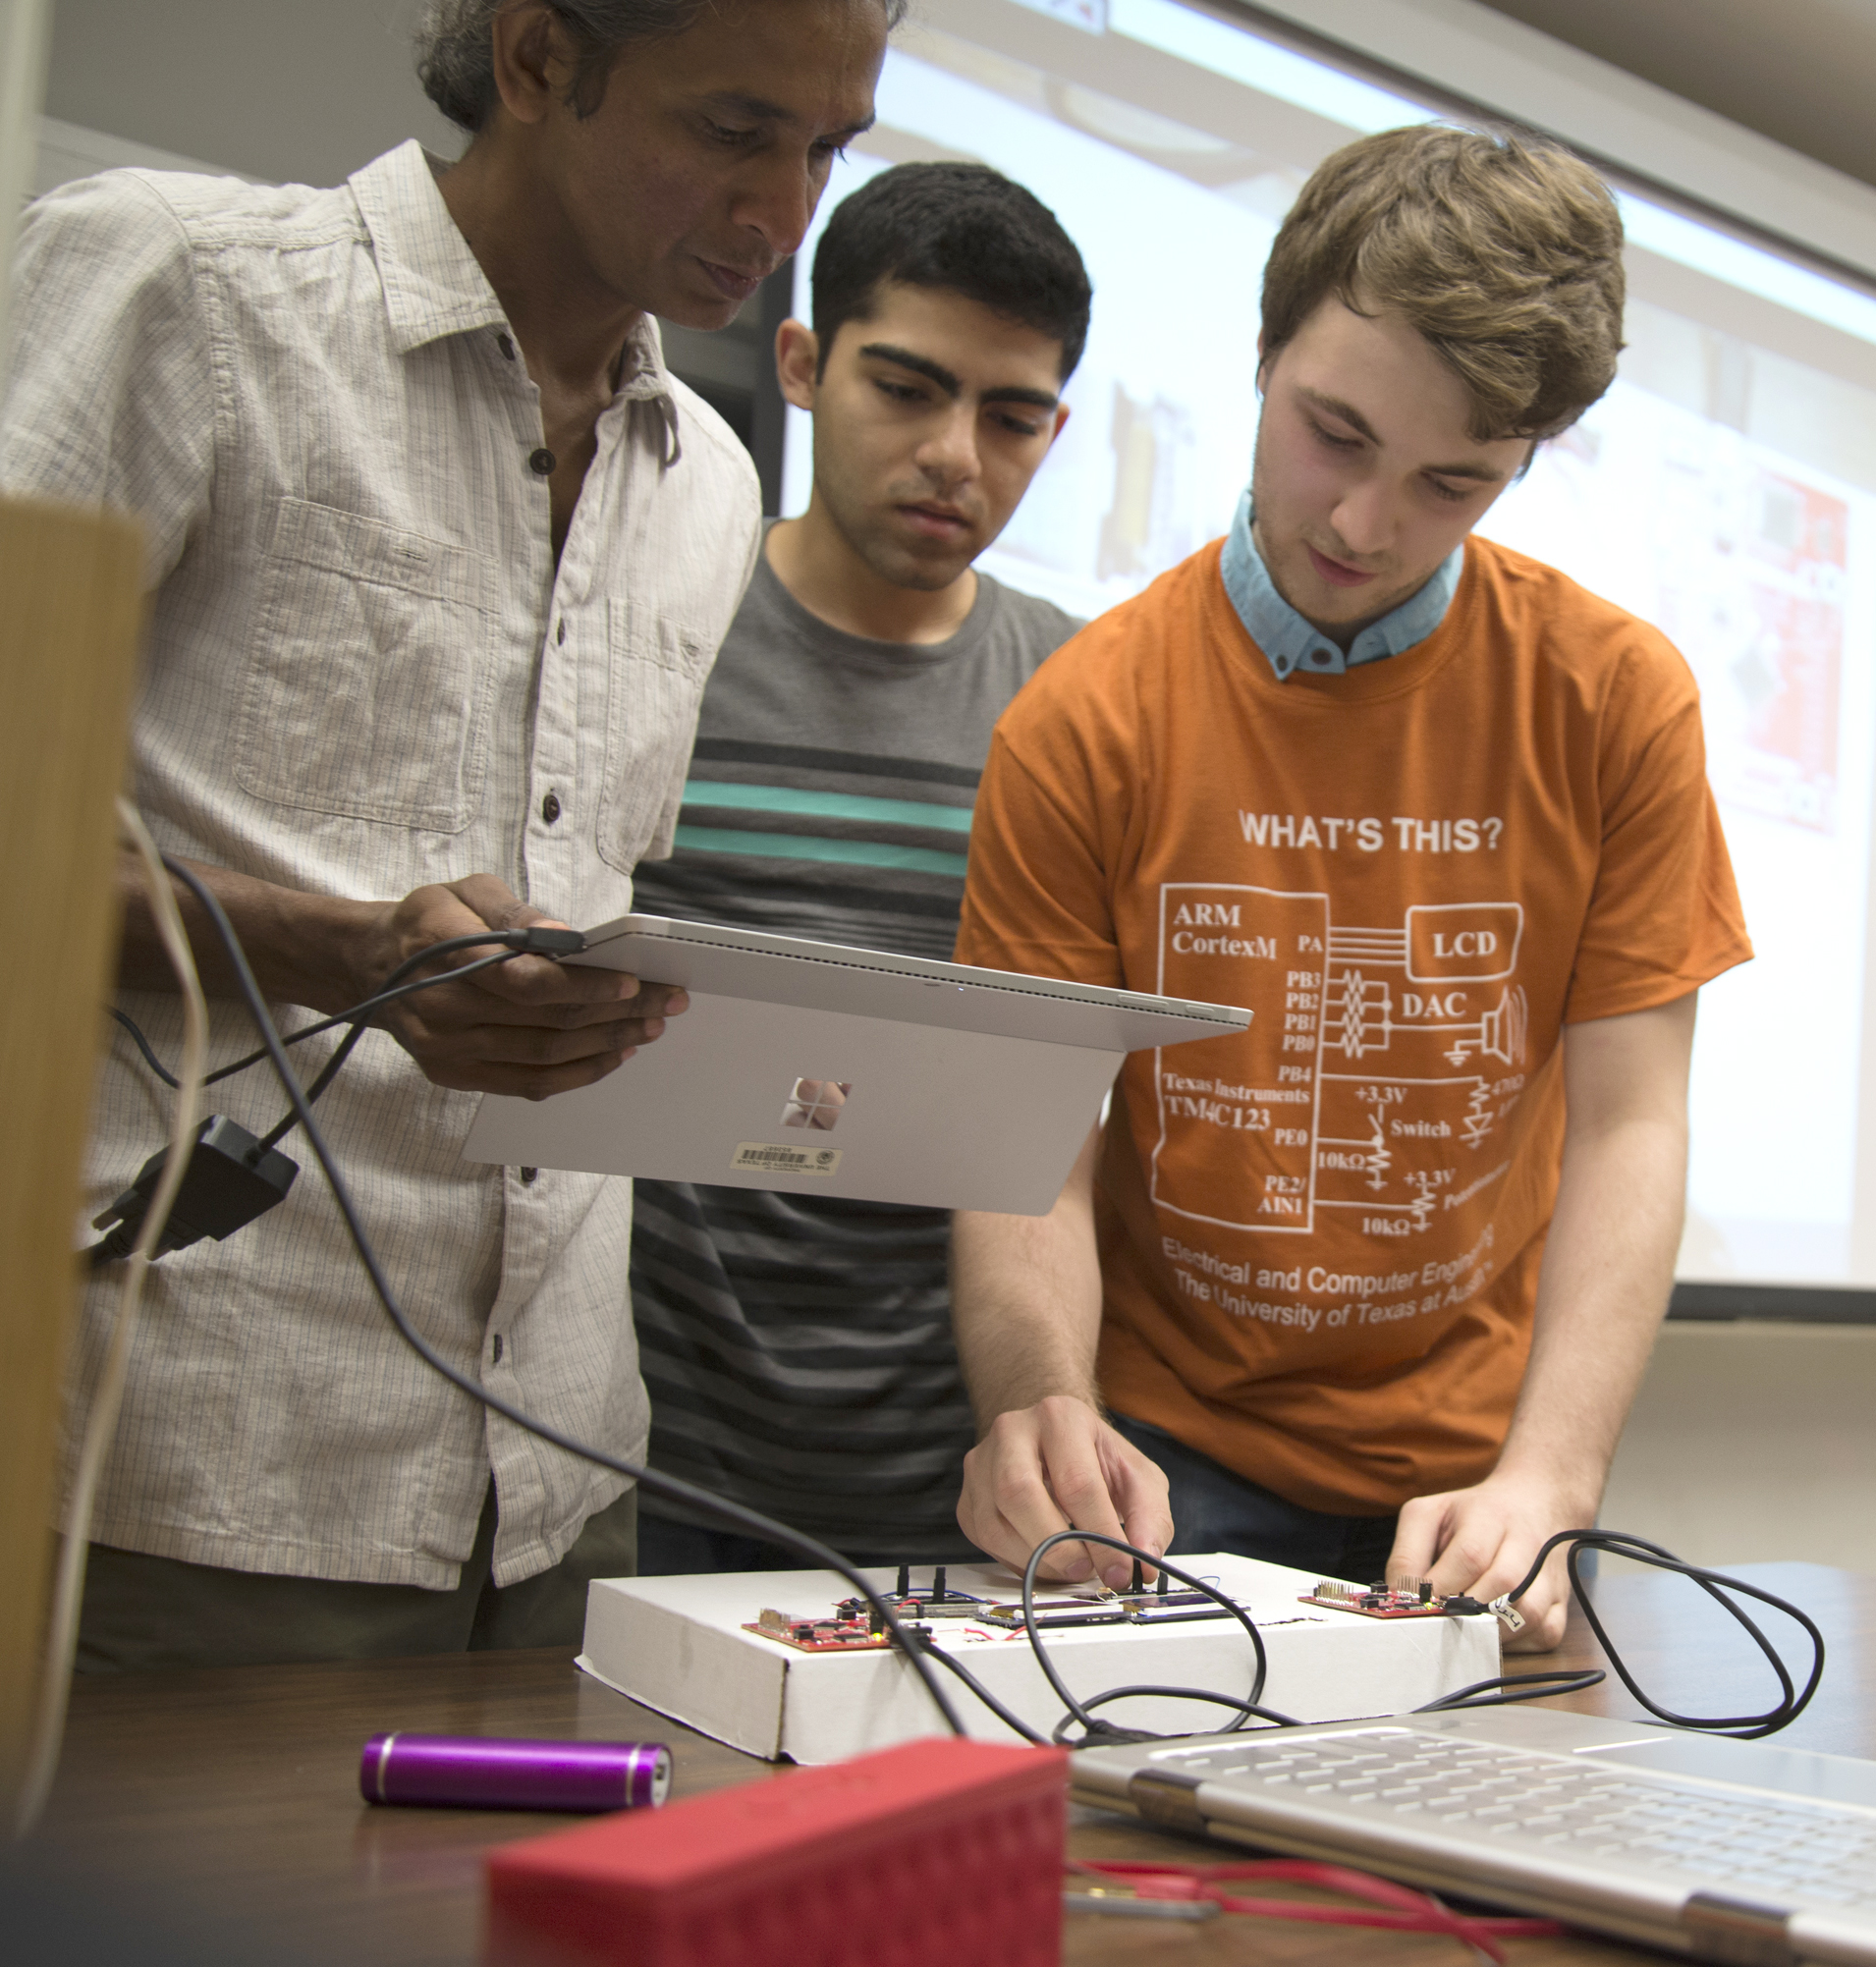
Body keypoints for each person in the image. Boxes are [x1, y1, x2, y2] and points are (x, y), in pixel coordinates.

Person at [0, 0, 894, 1668]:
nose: (788, 212)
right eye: (733, 131)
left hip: (554, 1469)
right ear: (541, 59)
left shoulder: (704, 478)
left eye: (829, 148)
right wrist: (343, 949)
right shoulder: (184, 295)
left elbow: (581, 889)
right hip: (187, 1436)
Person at [949, 126, 1752, 1650]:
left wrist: (1555, 1471)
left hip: (1479, 1474)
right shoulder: (1085, 717)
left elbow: (1632, 1119)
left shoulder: (1610, 701)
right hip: (1168, 1464)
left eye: (1453, 481)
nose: (1365, 525)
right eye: (1334, 434)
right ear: (1261, 355)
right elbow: (1030, 1138)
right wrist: (1039, 1405)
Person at [627, 161, 1089, 1571]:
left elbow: (1053, 1121)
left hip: (948, 1471)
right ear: (804, 365)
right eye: (907, 388)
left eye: (1009, 417)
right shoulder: (650, 628)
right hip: (630, 1446)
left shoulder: (1070, 696)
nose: (956, 452)